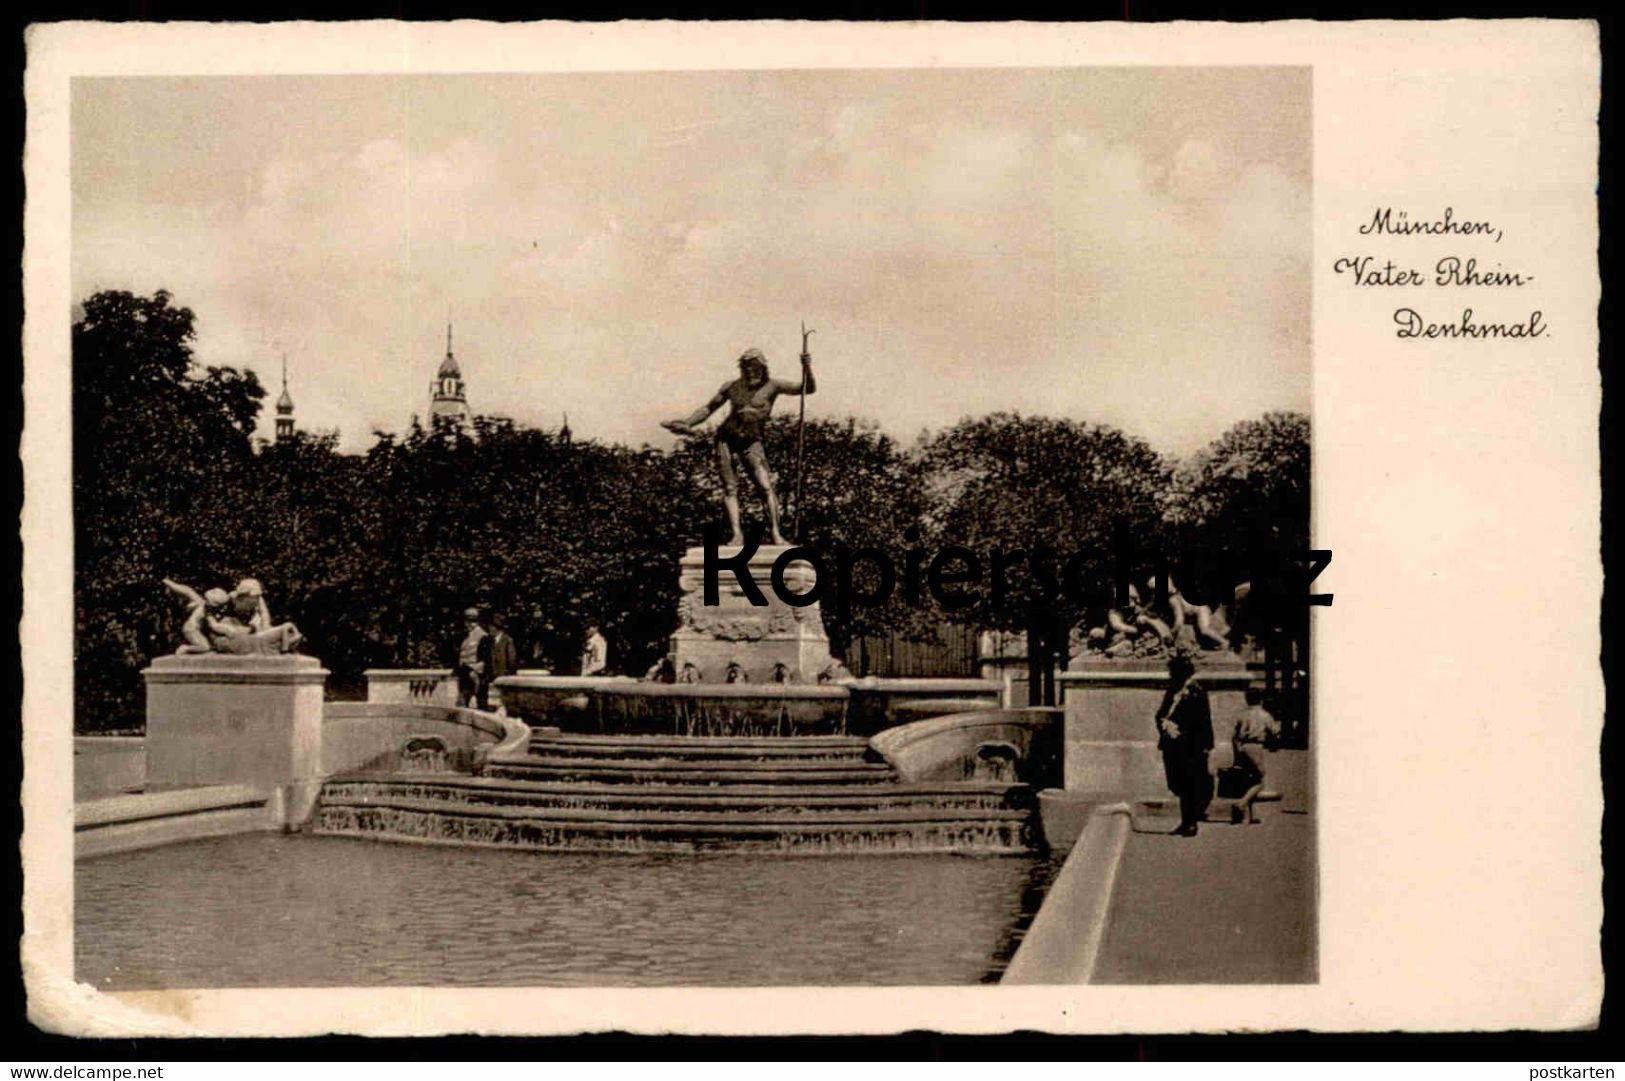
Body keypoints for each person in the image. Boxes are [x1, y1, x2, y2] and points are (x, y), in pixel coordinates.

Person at [661, 346, 816, 546]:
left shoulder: (773, 385)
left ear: (762, 367)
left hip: (752, 441)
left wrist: (807, 367)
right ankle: (737, 535)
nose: (750, 371)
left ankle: (776, 534)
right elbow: (709, 408)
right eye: (746, 367)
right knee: (730, 488)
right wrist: (688, 422)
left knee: (765, 486)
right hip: (726, 439)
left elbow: (807, 389)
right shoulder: (732, 387)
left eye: (754, 366)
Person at [1154, 650, 1215, 836]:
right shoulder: (1172, 690)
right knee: (1176, 783)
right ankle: (1186, 821)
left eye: (1173, 672)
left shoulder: (1196, 691)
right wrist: (1165, 725)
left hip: (1191, 746)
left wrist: (1205, 744)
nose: (1171, 676)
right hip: (1172, 744)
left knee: (1190, 784)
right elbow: (1160, 714)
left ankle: (1190, 822)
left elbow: (1203, 720)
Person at [1228, 688, 1283, 824]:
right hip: (1256, 746)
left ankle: (1249, 816)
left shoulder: (1242, 715)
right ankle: (1241, 804)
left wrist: (1236, 751)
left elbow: (1233, 736)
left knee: (1249, 781)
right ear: (1261, 699)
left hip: (1242, 746)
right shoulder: (1264, 715)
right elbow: (1276, 731)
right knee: (1259, 781)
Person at [455, 607, 492, 710]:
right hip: (465, 674)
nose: (470, 624)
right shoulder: (465, 636)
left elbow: (486, 659)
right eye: (468, 621)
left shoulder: (483, 636)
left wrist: (474, 671)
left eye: (473, 621)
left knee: (480, 703)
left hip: (476, 675)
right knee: (462, 703)